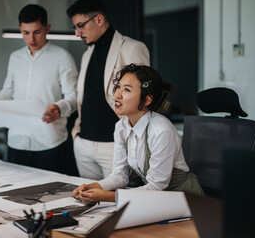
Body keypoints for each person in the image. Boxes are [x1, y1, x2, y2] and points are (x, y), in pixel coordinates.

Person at [73, 64, 204, 203]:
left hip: (186, 201)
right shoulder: (121, 127)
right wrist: (91, 187)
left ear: (147, 99)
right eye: (118, 86)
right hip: (155, 200)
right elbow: (120, 176)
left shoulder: (161, 131)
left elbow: (156, 187)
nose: (117, 94)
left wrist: (107, 197)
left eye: (127, 89)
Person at [0, 4, 77, 173]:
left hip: (49, 143)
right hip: (16, 142)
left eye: (37, 32)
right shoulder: (15, 58)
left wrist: (59, 108)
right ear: (20, 28)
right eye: (25, 33)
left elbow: (73, 96)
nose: (31, 39)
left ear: (47, 28)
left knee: (52, 195)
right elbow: (7, 92)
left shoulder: (62, 57)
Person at [67, 0, 150, 180]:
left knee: (117, 205)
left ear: (98, 19)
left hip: (113, 146)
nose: (77, 33)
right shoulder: (86, 54)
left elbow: (141, 101)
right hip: (83, 143)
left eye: (80, 26)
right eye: (76, 27)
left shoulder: (132, 48)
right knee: (88, 205)